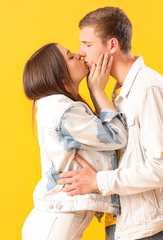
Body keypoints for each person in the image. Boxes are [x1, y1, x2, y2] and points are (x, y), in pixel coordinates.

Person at [57, 7, 163, 240]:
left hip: (150, 228)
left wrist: (98, 181)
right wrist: (97, 91)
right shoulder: (119, 92)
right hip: (125, 222)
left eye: (87, 44)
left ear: (112, 45)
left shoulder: (148, 90)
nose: (81, 53)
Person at [21, 43, 128, 240]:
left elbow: (101, 136)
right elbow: (117, 136)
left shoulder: (58, 107)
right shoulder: (64, 111)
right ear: (61, 77)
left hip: (50, 221)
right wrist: (98, 91)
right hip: (54, 224)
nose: (79, 55)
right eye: (70, 57)